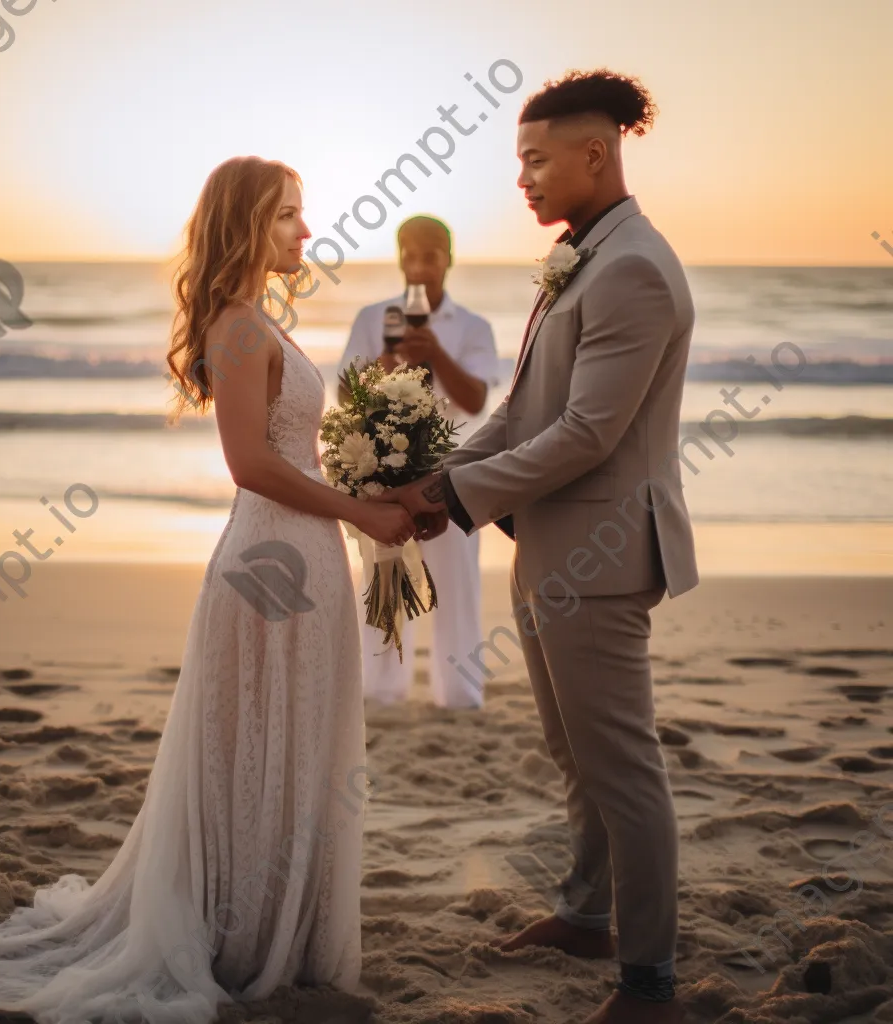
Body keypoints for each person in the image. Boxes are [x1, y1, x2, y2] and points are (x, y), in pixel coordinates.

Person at [0, 157, 416, 1023]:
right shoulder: (239, 327)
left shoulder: (260, 321)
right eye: (288, 216)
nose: (306, 232)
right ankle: (242, 939)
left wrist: (377, 492)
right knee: (257, 746)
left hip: (307, 552)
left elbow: (295, 453)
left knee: (297, 745)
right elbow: (251, 467)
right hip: (271, 565)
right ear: (248, 225)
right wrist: (361, 511)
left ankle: (280, 925)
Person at [375, 70, 698, 1024]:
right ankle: (588, 915)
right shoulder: (580, 257)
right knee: (575, 753)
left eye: (535, 159)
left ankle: (649, 986)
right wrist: (444, 480)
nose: (521, 179)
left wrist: (452, 496)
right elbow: (522, 409)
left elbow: (590, 433)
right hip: (549, 546)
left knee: (624, 771)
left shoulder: (633, 267)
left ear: (595, 154)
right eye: (518, 161)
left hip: (601, 557)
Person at [338, 215, 499, 709]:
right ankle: (382, 692)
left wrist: (435, 353)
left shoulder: (473, 327)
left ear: (448, 258)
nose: (418, 266)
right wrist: (384, 368)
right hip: (384, 473)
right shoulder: (374, 317)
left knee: (455, 586)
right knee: (386, 582)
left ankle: (460, 696)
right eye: (408, 254)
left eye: (429, 255)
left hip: (451, 476)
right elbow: (345, 392)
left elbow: (475, 401)